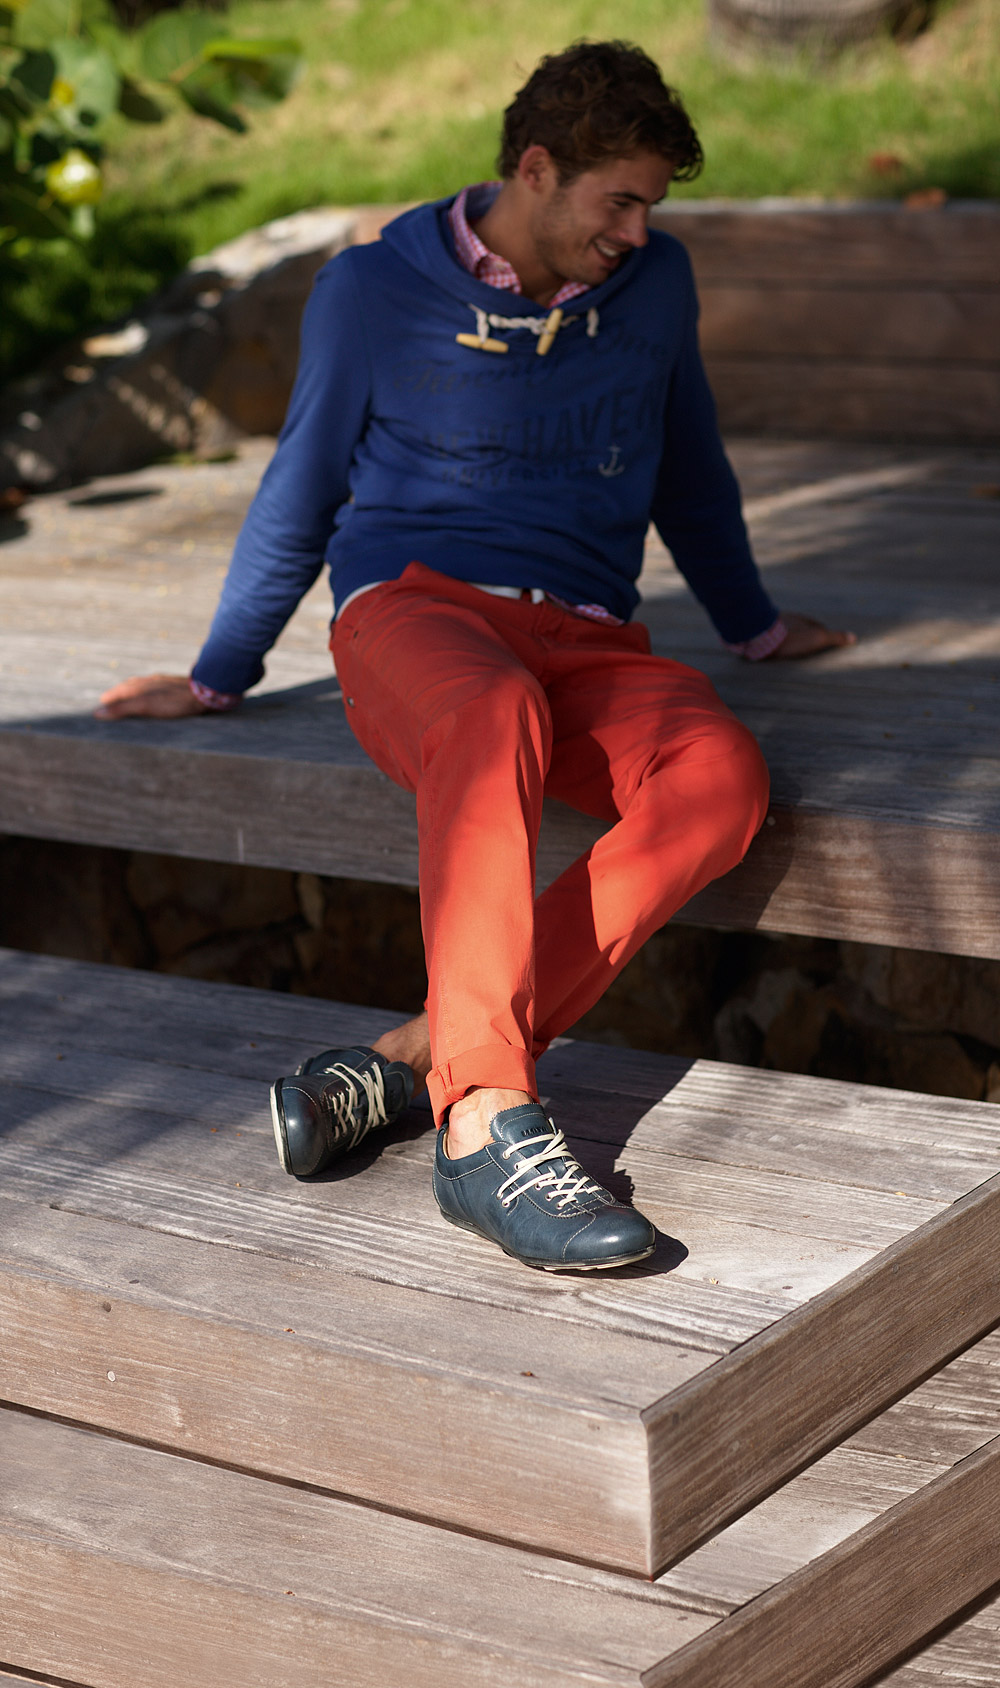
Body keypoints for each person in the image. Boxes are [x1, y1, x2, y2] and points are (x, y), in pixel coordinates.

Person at [100, 40, 853, 1274]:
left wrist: (754, 624)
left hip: (589, 636)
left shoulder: (654, 284)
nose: (638, 232)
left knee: (721, 777)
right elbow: (301, 486)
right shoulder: (369, 290)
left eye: (651, 207)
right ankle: (489, 1124)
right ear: (535, 169)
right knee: (492, 708)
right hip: (417, 616)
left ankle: (422, 1060)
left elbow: (689, 464)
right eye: (619, 201)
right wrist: (219, 672)